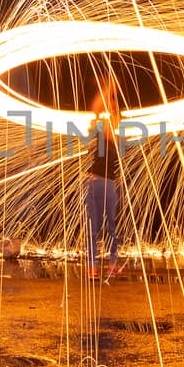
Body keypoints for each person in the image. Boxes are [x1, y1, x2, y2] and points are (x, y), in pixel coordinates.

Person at [84, 73, 124, 280]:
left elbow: (104, 111)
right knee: (97, 226)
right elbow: (96, 107)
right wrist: (107, 88)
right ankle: (94, 268)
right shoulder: (100, 127)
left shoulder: (114, 133)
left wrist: (109, 90)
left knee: (109, 227)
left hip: (105, 182)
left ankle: (111, 265)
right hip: (96, 181)